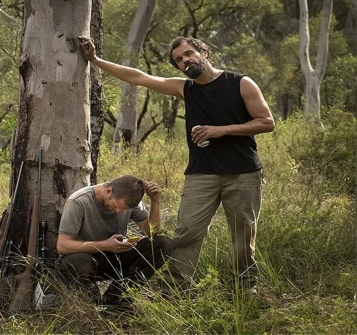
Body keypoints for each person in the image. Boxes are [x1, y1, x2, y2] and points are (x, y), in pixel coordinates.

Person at [78, 36, 275, 295]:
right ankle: (175, 289)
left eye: (189, 54)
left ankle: (243, 288)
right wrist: (94, 60)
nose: (185, 61)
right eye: (179, 60)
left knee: (243, 234)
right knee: (186, 232)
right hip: (201, 174)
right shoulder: (185, 88)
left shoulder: (240, 83)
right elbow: (138, 77)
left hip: (243, 173)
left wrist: (220, 131)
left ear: (204, 52)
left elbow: (266, 122)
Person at [57, 175, 175, 306]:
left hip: (115, 257)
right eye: (116, 206)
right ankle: (94, 304)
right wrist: (105, 245)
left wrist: (155, 201)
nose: (119, 211)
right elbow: (62, 246)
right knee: (76, 261)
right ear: (108, 191)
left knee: (164, 244)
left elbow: (151, 232)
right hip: (87, 261)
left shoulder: (130, 201)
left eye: (124, 209)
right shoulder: (79, 201)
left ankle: (117, 297)